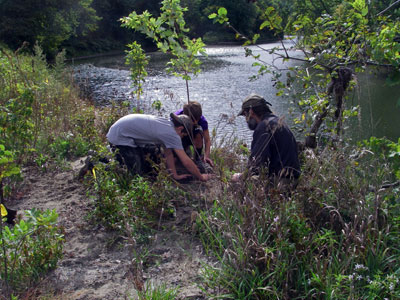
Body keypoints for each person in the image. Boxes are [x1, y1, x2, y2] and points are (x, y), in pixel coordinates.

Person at [106, 113, 212, 182]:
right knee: (135, 176)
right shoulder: (172, 134)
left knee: (145, 167)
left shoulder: (167, 124)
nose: (181, 138)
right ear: (180, 129)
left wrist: (174, 175)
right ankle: (100, 163)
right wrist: (201, 177)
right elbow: (186, 161)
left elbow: (168, 153)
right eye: (183, 135)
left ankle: (112, 157)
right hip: (120, 137)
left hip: (123, 133)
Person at [232, 93, 301, 189]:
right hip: (293, 178)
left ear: (251, 112)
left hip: (281, 181)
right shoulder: (276, 121)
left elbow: (255, 164)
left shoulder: (264, 127)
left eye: (245, 115)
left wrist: (240, 177)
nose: (246, 120)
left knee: (237, 184)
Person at [174, 101, 213, 173]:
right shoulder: (176, 117)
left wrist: (206, 156)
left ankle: (197, 158)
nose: (194, 123)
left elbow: (207, 140)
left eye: (196, 121)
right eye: (191, 121)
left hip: (193, 137)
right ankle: (181, 154)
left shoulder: (202, 120)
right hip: (180, 138)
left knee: (198, 133)